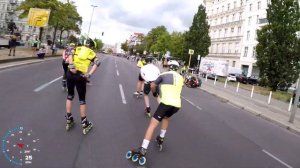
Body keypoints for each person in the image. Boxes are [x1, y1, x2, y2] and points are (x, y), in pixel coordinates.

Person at [126, 61, 183, 165]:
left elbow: (153, 85)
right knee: (165, 118)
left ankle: (143, 148)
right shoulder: (181, 78)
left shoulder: (162, 75)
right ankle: (161, 138)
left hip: (166, 103)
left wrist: (154, 92)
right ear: (178, 68)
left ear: (168, 67)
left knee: (152, 125)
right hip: (177, 106)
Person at [65, 39, 101, 134]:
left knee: (70, 95)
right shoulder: (91, 52)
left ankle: (69, 118)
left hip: (70, 73)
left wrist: (72, 66)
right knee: (82, 99)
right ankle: (84, 123)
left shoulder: (77, 48)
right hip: (80, 76)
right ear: (92, 46)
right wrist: (89, 74)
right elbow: (98, 63)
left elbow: (69, 54)